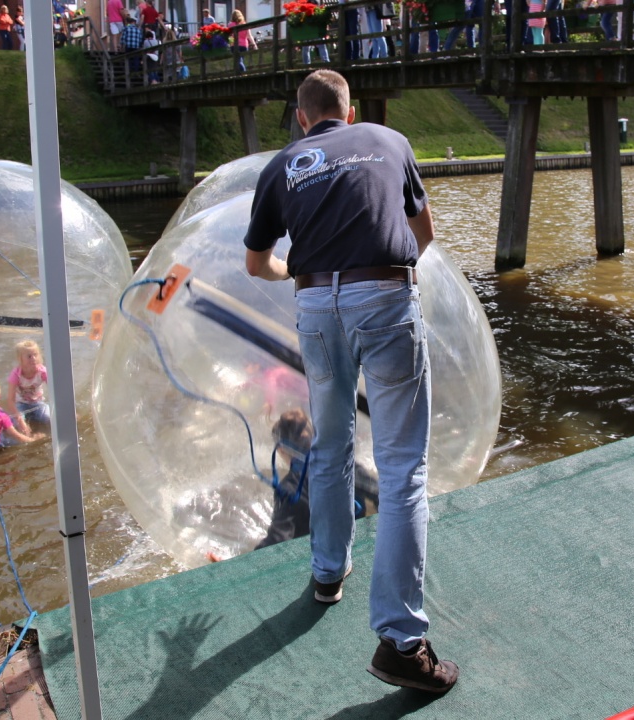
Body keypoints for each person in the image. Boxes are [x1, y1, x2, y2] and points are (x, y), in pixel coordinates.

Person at [243, 69, 458, 695]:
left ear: (302, 118)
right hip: (385, 295)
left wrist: (298, 272)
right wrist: (381, 280)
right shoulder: (389, 141)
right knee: (402, 468)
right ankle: (402, 641)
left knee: (331, 446)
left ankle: (328, 572)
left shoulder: (282, 165)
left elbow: (256, 264)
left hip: (315, 306)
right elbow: (422, 233)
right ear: (351, 111)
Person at [255, 409, 382, 550]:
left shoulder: (290, 487)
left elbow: (277, 541)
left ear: (281, 449)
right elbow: (382, 496)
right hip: (359, 548)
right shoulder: (344, 463)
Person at [7, 340, 50, 435]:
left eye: (35, 355)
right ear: (20, 359)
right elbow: (10, 400)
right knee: (16, 424)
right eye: (29, 356)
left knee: (49, 418)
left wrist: (66, 409)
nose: (33, 358)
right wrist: (20, 420)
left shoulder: (42, 372)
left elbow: (55, 391)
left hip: (38, 402)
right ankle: (28, 438)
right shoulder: (16, 374)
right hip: (20, 404)